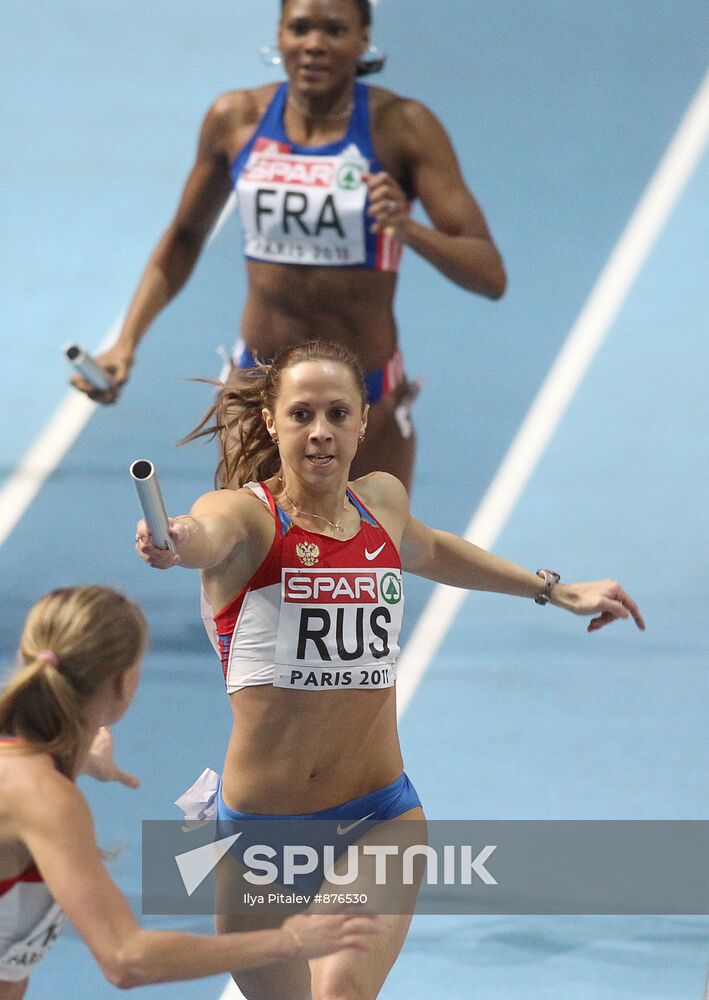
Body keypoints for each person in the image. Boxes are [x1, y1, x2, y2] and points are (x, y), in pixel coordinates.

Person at [135, 341, 645, 1000]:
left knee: (341, 992)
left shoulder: (381, 504)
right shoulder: (246, 519)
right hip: (260, 836)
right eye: (300, 414)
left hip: (376, 815)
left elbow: (433, 550)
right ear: (270, 420)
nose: (319, 431)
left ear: (362, 423)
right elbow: (202, 533)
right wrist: (175, 541)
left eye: (336, 413)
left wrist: (554, 590)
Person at [72, 0, 507, 490]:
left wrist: (410, 231)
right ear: (279, 34)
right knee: (246, 560)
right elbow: (184, 238)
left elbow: (490, 274)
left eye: (334, 31)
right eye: (300, 28)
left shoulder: (403, 128)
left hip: (364, 398)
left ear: (364, 39)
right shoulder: (235, 119)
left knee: (371, 564)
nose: (314, 44)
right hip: (258, 393)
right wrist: (126, 342)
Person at [0, 585, 377, 998]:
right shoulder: (46, 799)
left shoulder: (31, 775)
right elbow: (127, 957)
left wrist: (75, 760)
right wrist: (289, 941)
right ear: (124, 683)